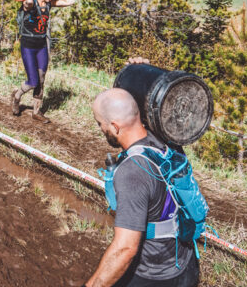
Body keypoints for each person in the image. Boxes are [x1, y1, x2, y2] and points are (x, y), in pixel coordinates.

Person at [84, 88, 199, 287]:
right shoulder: (165, 141)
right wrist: (140, 75)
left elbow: (125, 250)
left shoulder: (132, 173)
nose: (101, 129)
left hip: (155, 276)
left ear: (114, 126)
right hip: (186, 264)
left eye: (100, 124)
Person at [10, 0, 75, 122]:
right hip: (28, 46)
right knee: (32, 82)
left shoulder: (49, 3)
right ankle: (17, 95)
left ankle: (36, 112)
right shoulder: (30, 3)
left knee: (41, 79)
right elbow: (28, 0)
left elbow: (71, 1)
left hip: (41, 46)